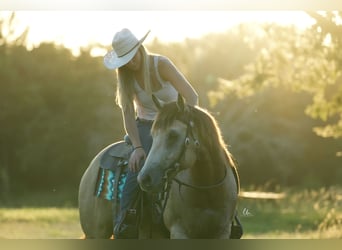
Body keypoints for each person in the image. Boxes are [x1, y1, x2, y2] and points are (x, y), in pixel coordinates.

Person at [103, 28, 198, 238]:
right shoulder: (126, 78)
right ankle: (125, 224)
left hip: (176, 122)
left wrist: (182, 121)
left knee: (211, 156)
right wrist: (137, 147)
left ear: (140, 48)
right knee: (137, 170)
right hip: (146, 126)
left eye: (132, 55)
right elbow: (128, 115)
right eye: (125, 60)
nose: (131, 62)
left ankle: (228, 215)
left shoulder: (161, 65)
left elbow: (191, 97)